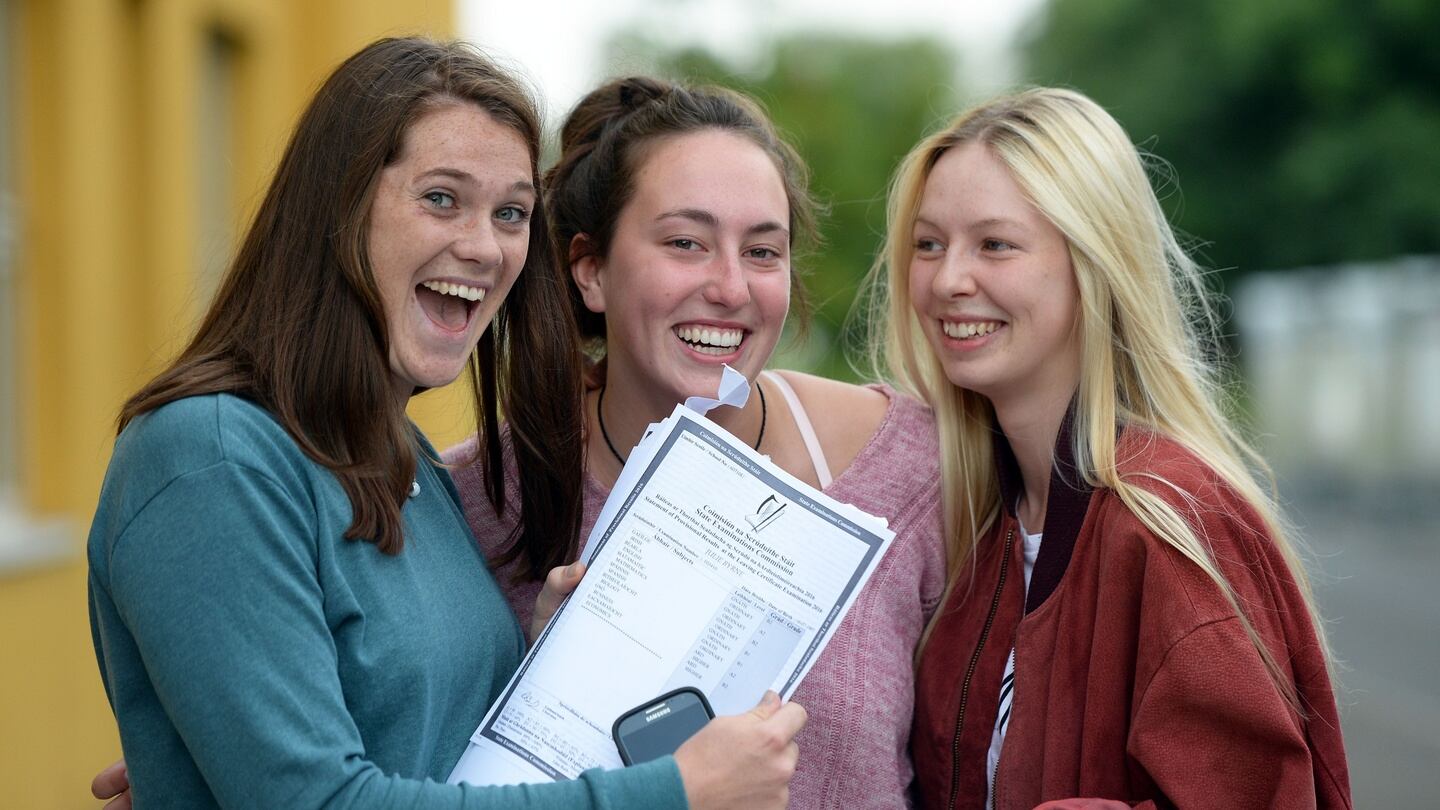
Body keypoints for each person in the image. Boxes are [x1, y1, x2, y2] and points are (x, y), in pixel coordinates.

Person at [86, 38, 804, 809]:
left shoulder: (407, 460)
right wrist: (673, 793)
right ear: (339, 204)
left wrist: (544, 661)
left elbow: (413, 741)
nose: (484, 246)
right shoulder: (212, 457)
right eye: (441, 198)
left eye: (511, 213)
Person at [443, 76, 947, 809]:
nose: (731, 287)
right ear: (590, 270)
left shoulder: (908, 467)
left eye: (764, 252)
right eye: (687, 243)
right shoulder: (475, 502)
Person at [875, 87, 1351, 808]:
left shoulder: (1172, 525)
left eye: (995, 244)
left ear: (1093, 261)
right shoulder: (976, 525)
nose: (947, 281)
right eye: (929, 244)